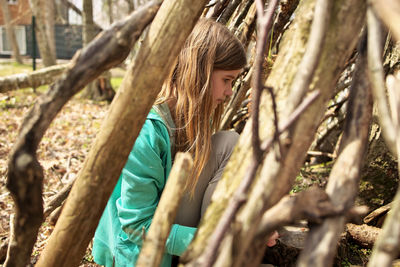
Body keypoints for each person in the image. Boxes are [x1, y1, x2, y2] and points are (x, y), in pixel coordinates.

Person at [92, 18, 247, 267]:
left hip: (172, 229)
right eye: (226, 80)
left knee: (230, 143)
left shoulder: (194, 118)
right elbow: (136, 226)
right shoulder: (146, 132)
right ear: (200, 73)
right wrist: (209, 242)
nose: (229, 92)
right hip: (139, 252)